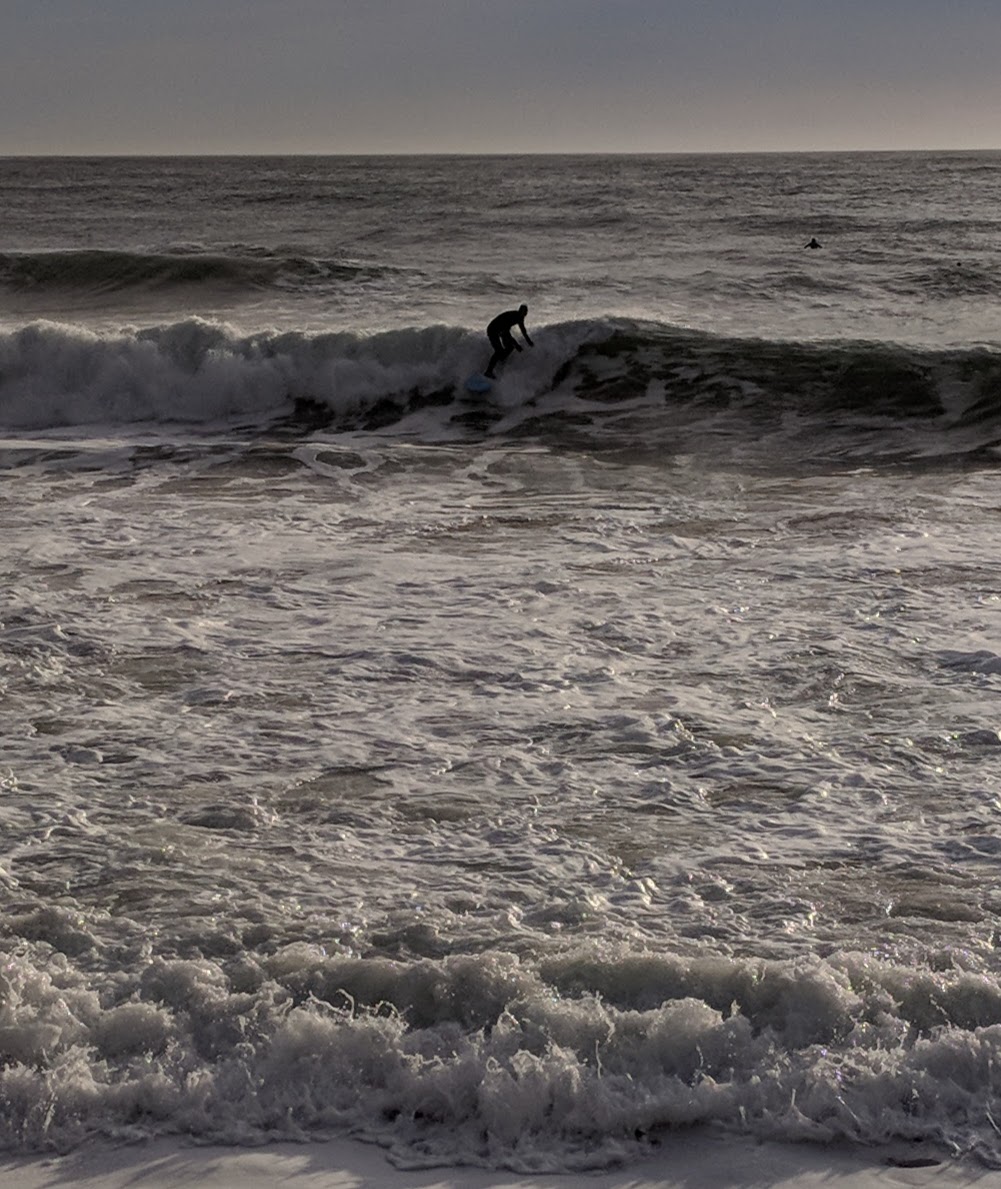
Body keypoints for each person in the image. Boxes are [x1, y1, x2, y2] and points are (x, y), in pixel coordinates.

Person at [484, 304, 533, 378]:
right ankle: (488, 371)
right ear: (519, 311)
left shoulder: (520, 318)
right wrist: (517, 345)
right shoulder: (512, 316)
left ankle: (501, 360)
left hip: (501, 331)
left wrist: (529, 342)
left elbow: (523, 331)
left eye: (526, 313)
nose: (525, 314)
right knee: (499, 351)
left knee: (510, 347)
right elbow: (506, 334)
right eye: (523, 312)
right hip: (493, 330)